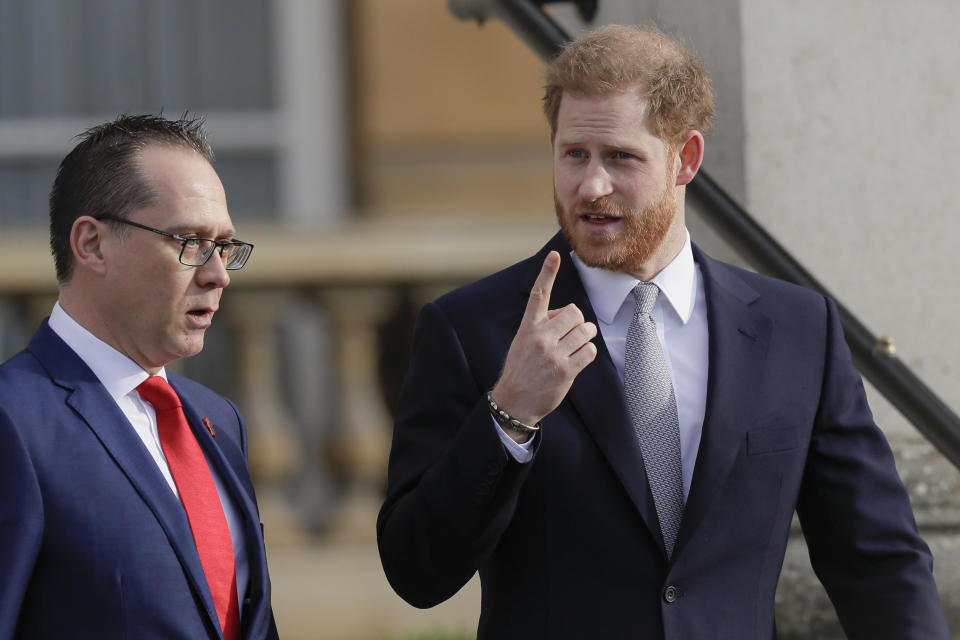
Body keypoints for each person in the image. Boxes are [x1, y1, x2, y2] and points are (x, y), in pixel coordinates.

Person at [377, 25, 950, 639]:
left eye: (621, 157)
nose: (591, 186)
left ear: (687, 159)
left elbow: (878, 562)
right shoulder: (471, 329)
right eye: (574, 154)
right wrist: (508, 414)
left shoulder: (797, 331)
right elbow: (418, 572)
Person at [0, 114, 279, 639]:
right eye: (191, 241)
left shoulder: (219, 419)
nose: (218, 273)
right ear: (93, 245)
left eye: (224, 246)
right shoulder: (13, 420)